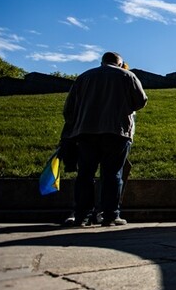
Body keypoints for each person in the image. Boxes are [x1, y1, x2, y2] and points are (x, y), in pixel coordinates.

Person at [61, 52, 147, 227]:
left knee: (85, 174)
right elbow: (141, 101)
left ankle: (81, 216)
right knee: (112, 174)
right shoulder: (127, 75)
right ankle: (110, 216)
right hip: (117, 131)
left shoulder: (84, 77)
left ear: (102, 62)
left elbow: (69, 109)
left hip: (85, 132)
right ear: (120, 63)